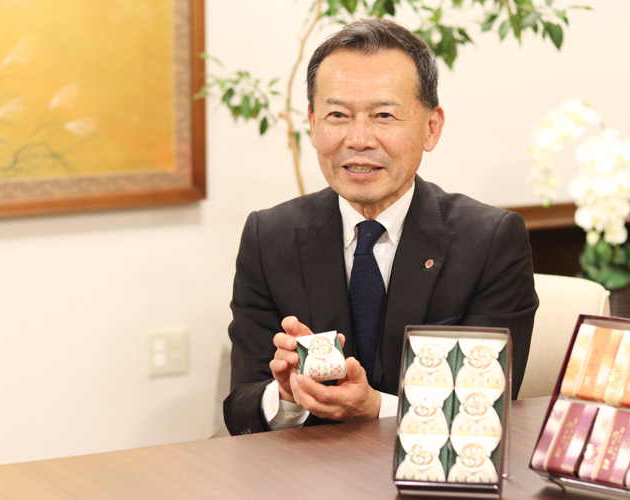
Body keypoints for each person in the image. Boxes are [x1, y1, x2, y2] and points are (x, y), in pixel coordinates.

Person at [223, 18, 538, 435]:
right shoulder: (269, 237)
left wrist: (376, 407)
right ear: (313, 124)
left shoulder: (490, 241)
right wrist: (285, 396)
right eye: (338, 115)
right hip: (307, 467)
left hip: (426, 467)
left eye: (384, 115)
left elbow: (480, 409)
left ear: (431, 128)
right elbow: (242, 404)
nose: (359, 139)